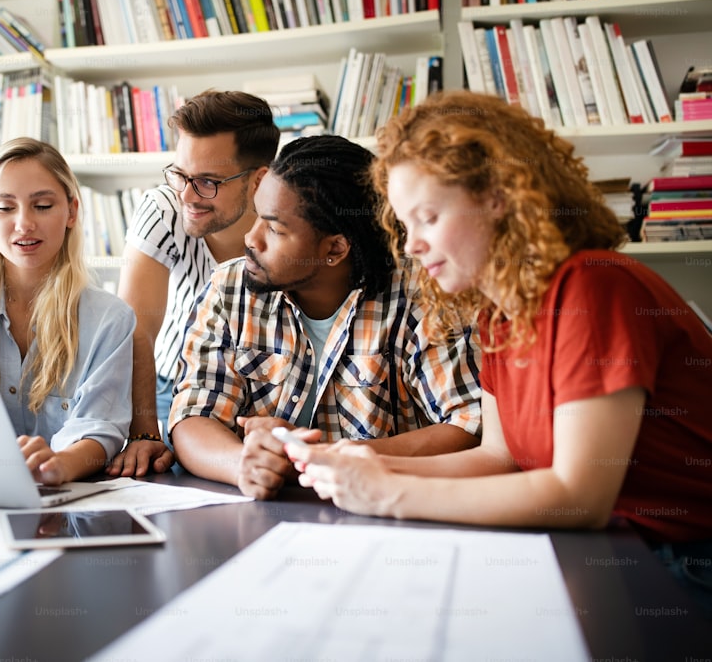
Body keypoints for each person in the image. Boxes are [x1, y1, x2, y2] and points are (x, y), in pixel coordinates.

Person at [286, 91, 712, 610]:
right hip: (607, 550)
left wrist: (390, 493)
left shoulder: (594, 286)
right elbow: (499, 459)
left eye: (428, 217)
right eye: (405, 224)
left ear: (498, 196)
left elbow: (580, 497)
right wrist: (357, 462)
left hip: (683, 559)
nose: (412, 246)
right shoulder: (496, 317)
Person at [170, 135, 483, 500]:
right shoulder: (229, 288)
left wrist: (321, 457)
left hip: (383, 511)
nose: (251, 239)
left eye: (274, 228)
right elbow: (193, 415)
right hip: (266, 516)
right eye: (258, 217)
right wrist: (243, 464)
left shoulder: (420, 294)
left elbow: (466, 425)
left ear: (334, 248)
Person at [0, 137, 135, 486]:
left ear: (71, 211)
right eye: (6, 208)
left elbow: (101, 429)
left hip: (65, 499)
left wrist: (59, 464)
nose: (24, 224)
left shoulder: (109, 319)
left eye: (43, 205)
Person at [108, 89, 281, 478]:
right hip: (171, 387)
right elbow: (136, 329)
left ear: (259, 180)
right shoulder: (164, 207)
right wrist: (144, 432)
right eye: (181, 175)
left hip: (264, 397)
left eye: (207, 181)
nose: (187, 195)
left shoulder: (288, 220)